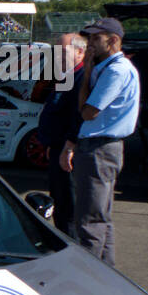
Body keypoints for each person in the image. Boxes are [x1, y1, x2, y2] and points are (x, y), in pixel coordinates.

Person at [61, 18, 140, 266]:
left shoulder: (116, 70)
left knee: (90, 219)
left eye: (97, 38)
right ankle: (106, 272)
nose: (91, 44)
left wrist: (85, 73)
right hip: (100, 147)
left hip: (99, 148)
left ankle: (90, 273)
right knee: (99, 217)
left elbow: (88, 111)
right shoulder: (111, 67)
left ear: (113, 40)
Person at [36, 33, 86, 236]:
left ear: (80, 52)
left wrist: (68, 147)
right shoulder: (66, 77)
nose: (58, 56)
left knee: (69, 208)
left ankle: (72, 250)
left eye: (63, 52)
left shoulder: (82, 80)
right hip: (57, 148)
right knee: (59, 201)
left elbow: (79, 117)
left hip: (68, 152)